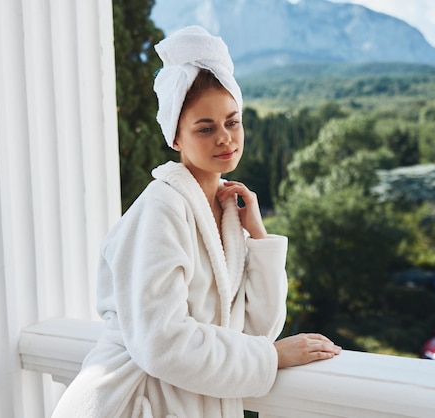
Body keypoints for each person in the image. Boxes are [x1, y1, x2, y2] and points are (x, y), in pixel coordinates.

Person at [51, 25, 341, 418]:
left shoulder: (225, 211)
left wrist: (257, 236)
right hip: (133, 401)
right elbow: (161, 342)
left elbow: (256, 331)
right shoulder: (161, 209)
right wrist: (270, 357)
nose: (224, 138)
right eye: (205, 128)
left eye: (232, 122)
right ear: (175, 137)